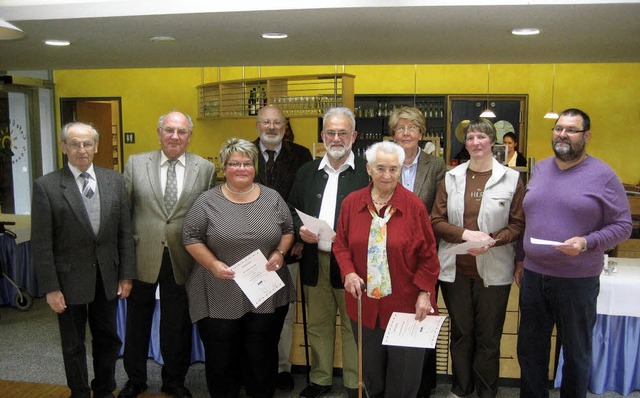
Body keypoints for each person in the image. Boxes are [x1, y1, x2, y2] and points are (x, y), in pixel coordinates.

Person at [516, 108, 632, 398]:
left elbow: (623, 226)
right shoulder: (540, 169)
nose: (562, 135)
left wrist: (586, 242)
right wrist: (521, 258)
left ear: (586, 136)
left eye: (571, 130)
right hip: (534, 277)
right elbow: (527, 219)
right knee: (530, 351)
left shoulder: (603, 175)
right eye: (558, 129)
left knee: (576, 354)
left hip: (576, 280)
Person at [183, 138, 296, 398]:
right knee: (222, 356)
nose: (241, 168)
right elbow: (190, 237)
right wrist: (212, 264)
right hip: (219, 288)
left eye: (247, 163)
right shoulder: (207, 201)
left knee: (262, 352)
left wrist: (280, 252)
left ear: (254, 166)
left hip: (264, 291)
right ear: (224, 166)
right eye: (235, 163)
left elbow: (288, 230)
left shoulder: (272, 198)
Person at [32, 122, 136, 398]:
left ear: (96, 146)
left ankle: (104, 389)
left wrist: (126, 275)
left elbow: (125, 233)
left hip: (107, 277)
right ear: (63, 147)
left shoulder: (114, 181)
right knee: (73, 344)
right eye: (75, 144)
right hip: (67, 281)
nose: (82, 150)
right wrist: (51, 288)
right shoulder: (47, 186)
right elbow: (41, 244)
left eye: (87, 143)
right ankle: (78, 392)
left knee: (108, 339)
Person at [120, 111, 216, 398]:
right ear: (159, 132)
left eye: (182, 131)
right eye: (170, 130)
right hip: (142, 255)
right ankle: (135, 379)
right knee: (137, 322)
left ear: (190, 136)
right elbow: (124, 215)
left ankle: (174, 380)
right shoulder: (136, 164)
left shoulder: (205, 168)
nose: (175, 136)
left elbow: (208, 217)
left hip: (183, 258)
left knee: (178, 324)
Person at [333, 141, 440, 398]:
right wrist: (348, 272)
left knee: (403, 380)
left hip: (406, 306)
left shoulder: (414, 207)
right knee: (372, 376)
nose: (387, 175)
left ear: (400, 170)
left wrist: (425, 293)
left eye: (393, 169)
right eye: (380, 168)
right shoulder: (351, 203)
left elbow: (429, 256)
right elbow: (341, 244)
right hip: (365, 307)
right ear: (368, 169)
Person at [430, 118, 525, 398]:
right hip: (455, 271)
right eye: (470, 138)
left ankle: (486, 392)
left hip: (494, 271)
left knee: (488, 338)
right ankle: (461, 389)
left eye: (481, 137)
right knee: (461, 335)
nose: (475, 143)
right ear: (466, 143)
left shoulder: (511, 179)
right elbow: (436, 220)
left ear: (492, 141)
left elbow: (518, 224)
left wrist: (492, 240)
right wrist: (465, 235)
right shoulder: (452, 177)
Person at [288, 107, 370, 398]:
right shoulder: (307, 171)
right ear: (323, 136)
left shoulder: (367, 172)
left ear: (354, 136)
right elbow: (291, 210)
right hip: (315, 260)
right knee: (320, 324)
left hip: (353, 266)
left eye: (343, 133)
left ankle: (354, 383)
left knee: (353, 326)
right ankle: (320, 379)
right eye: (331, 133)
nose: (337, 138)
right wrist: (300, 230)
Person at [252, 105, 312, 390]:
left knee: (284, 312)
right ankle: (252, 369)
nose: (272, 127)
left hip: (290, 248)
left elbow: (305, 200)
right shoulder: (243, 152)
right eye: (266, 122)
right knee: (252, 310)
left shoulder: (301, 155)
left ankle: (281, 368)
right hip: (249, 248)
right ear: (258, 125)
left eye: (277, 122)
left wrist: (299, 239)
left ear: (285, 126)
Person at [388, 106, 445, 397]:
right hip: (389, 255)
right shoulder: (383, 163)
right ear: (393, 133)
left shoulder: (435, 166)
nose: (406, 133)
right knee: (394, 312)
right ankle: (396, 378)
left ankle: (422, 384)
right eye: (401, 128)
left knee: (423, 313)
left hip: (423, 255)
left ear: (421, 133)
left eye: (412, 128)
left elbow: (438, 212)